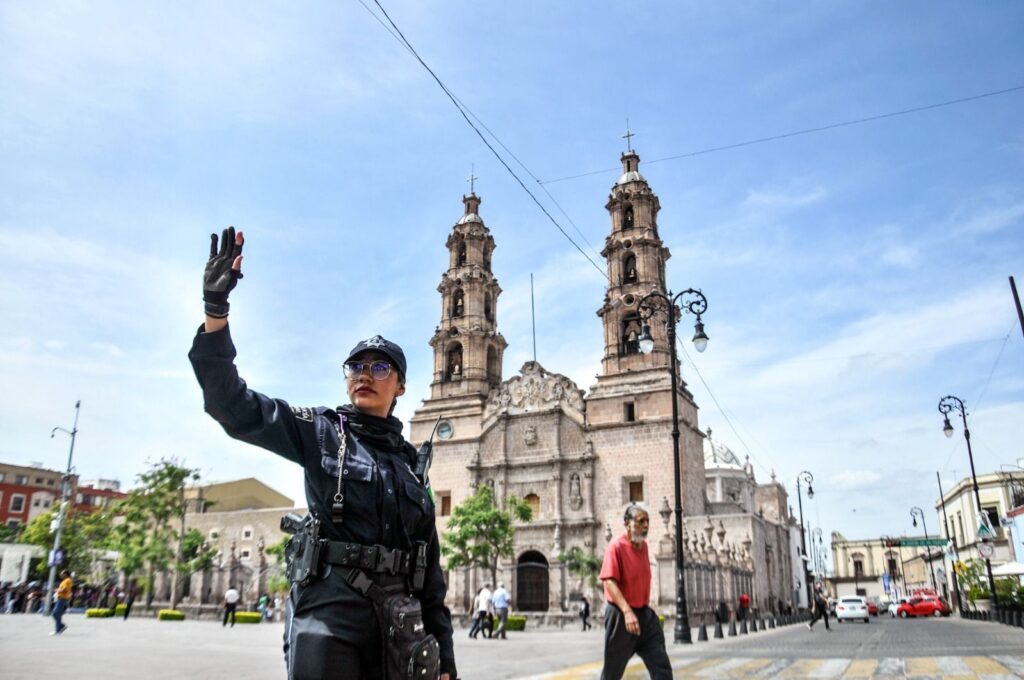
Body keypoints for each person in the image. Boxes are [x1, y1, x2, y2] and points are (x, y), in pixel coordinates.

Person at [189, 228, 455, 680]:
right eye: (355, 366)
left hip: (399, 627)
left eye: (379, 367)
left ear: (400, 386)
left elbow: (430, 572)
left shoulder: (413, 466)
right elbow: (231, 406)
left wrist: (446, 657)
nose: (364, 375)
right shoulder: (319, 430)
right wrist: (216, 311)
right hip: (329, 618)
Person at [599, 504, 671, 680]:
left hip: (644, 616)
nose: (645, 525)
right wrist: (627, 611)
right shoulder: (615, 547)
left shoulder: (643, 546)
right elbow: (609, 581)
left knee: (661, 664)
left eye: (647, 521)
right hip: (621, 616)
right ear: (627, 523)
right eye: (640, 521)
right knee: (612, 673)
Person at [51, 570, 73, 636]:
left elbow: (65, 590)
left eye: (62, 574)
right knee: (57, 614)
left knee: (55, 613)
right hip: (60, 599)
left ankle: (58, 629)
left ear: (66, 574)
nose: (60, 575)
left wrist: (56, 590)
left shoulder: (67, 580)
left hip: (62, 599)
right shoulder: (65, 581)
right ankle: (60, 627)